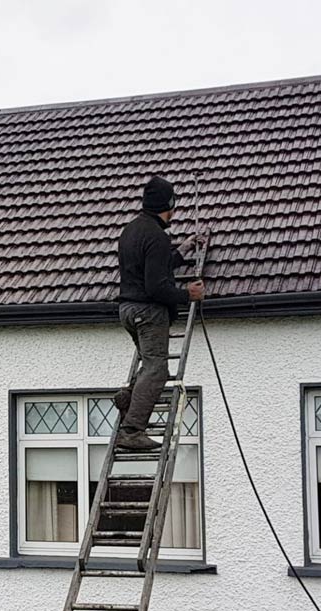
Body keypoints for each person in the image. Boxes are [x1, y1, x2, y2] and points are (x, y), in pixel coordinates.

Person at [114, 176, 205, 452]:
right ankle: (132, 431)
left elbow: (156, 267)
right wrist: (187, 294)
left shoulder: (130, 231)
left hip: (127, 310)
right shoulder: (156, 236)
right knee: (157, 369)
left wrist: (183, 249)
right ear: (168, 206)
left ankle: (129, 396)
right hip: (148, 312)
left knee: (148, 364)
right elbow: (156, 286)